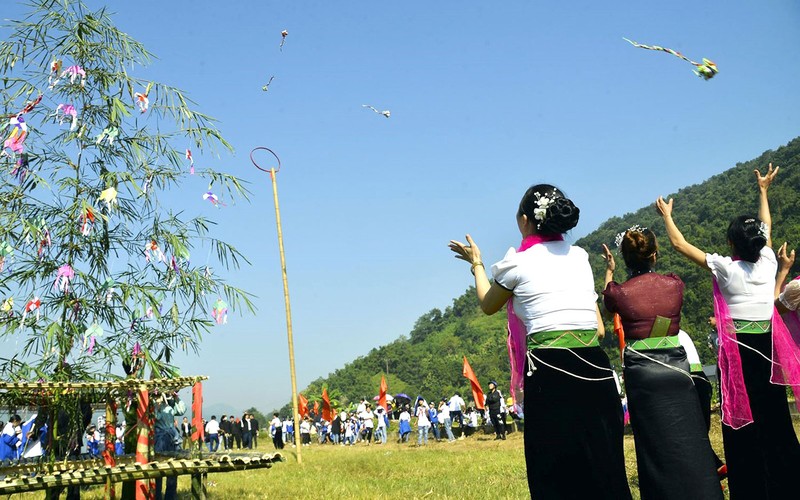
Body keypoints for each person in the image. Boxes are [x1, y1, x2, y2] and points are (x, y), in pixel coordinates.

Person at [449, 183, 631, 499]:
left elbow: (488, 304)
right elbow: (596, 325)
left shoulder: (517, 263)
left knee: (555, 471)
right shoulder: (580, 257)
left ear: (524, 220)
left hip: (550, 370)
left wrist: (476, 264)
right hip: (596, 367)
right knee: (604, 466)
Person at [657, 164, 800, 498]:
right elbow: (768, 226)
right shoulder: (769, 263)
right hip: (767, 350)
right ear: (759, 242)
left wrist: (667, 216)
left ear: (732, 242)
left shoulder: (725, 268)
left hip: (738, 355)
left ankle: (751, 487)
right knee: (776, 419)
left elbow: (680, 245)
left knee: (743, 421)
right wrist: (763, 190)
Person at [601, 226, 722, 499]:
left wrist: (610, 271)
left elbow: (608, 305)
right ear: (654, 255)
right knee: (690, 439)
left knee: (653, 445)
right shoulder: (674, 284)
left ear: (626, 258)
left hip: (642, 374)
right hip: (677, 369)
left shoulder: (619, 292)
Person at [154, 392, 186, 500]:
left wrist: (176, 397)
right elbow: (155, 416)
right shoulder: (154, 404)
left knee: (173, 468)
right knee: (158, 469)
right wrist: (157, 405)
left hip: (173, 439)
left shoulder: (170, 405)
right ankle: (157, 496)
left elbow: (182, 410)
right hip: (160, 439)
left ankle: (170, 496)